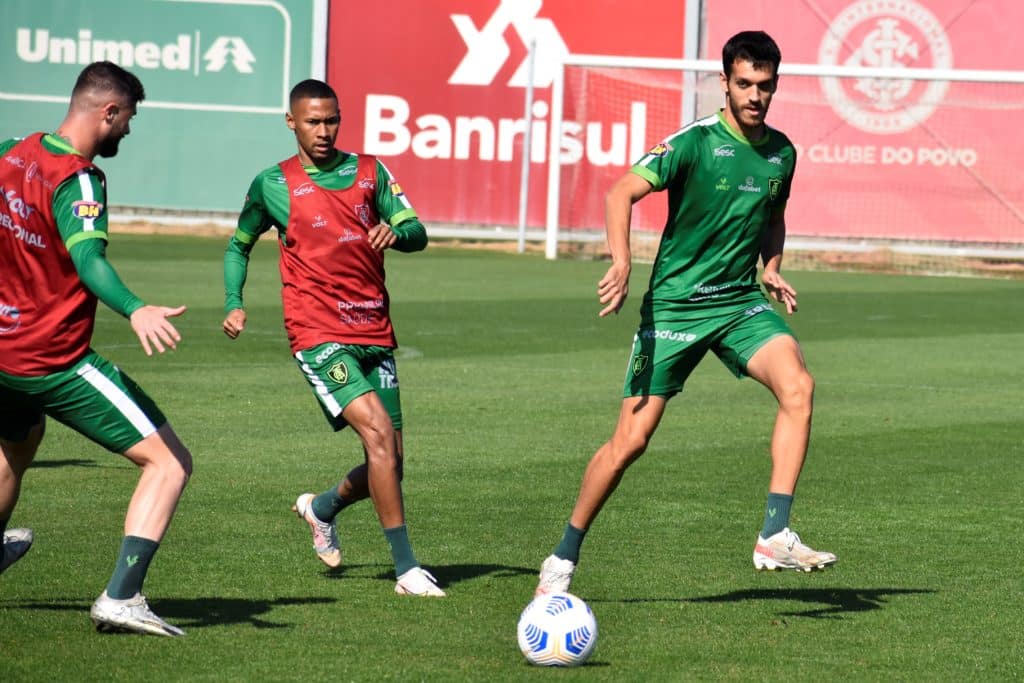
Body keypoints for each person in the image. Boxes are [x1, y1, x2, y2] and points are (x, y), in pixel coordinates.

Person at [535, 31, 837, 595]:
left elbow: (772, 215)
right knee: (630, 442)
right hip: (675, 308)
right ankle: (562, 557)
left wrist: (770, 268)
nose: (754, 95)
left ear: (775, 86)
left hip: (738, 302)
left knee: (799, 384)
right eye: (743, 84)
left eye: (764, 86)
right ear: (724, 82)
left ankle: (775, 532)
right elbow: (620, 191)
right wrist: (623, 262)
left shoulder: (782, 153)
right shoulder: (695, 143)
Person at [222, 79, 443, 597]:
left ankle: (320, 509)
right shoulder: (272, 184)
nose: (323, 131)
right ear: (291, 122)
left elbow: (417, 231)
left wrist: (398, 233)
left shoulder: (371, 172)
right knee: (379, 436)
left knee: (392, 460)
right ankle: (407, 569)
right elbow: (239, 245)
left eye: (332, 120)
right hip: (317, 331)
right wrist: (234, 301)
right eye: (313, 121)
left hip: (374, 330)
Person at [0, 61, 192, 636]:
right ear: (108, 111)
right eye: (128, 119)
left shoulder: (12, 151)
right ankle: (122, 597)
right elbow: (89, 261)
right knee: (170, 461)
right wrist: (136, 307)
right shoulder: (79, 179)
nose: (128, 131)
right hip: (49, 359)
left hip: (2, 352)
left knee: (17, 440)